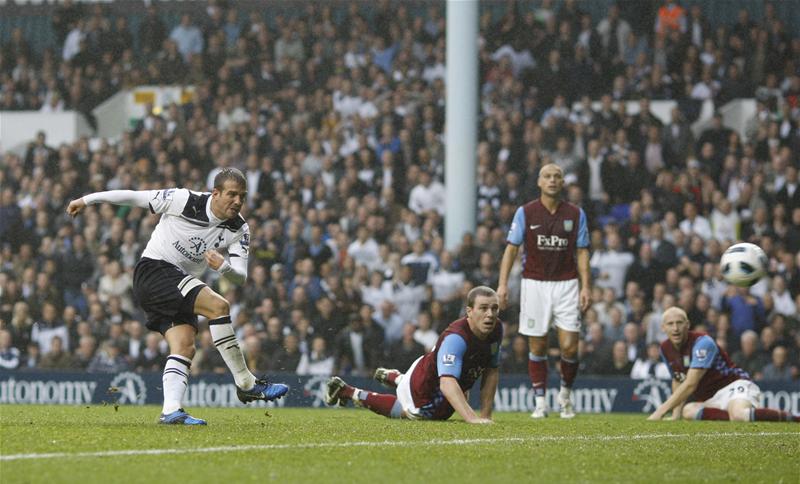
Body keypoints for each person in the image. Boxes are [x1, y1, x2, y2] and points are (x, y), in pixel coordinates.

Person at [66, 167, 288, 425]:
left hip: (176, 284)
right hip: (154, 271)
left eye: (242, 196)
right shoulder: (184, 200)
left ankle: (171, 410)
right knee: (219, 306)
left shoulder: (239, 229)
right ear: (215, 193)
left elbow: (240, 276)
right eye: (232, 194)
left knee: (184, 345)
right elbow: (133, 197)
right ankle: (246, 382)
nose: (238, 201)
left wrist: (223, 267)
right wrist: (87, 200)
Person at [324, 286, 502, 424]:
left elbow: (491, 371)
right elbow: (447, 383)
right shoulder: (456, 338)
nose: (490, 315)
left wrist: (486, 416)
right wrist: (472, 418)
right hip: (424, 386)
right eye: (484, 308)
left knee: (456, 400)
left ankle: (397, 378)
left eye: (494, 309)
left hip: (434, 371)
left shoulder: (496, 329)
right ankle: (349, 391)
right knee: (416, 415)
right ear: (469, 311)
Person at [497, 163, 591, 419]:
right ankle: (540, 402)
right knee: (537, 346)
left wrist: (586, 287)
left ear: (563, 183)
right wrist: (503, 284)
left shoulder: (575, 214)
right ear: (539, 182)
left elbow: (582, 251)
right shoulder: (525, 212)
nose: (552, 180)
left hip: (567, 284)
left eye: (557, 176)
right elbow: (511, 249)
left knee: (570, 347)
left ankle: (565, 397)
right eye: (547, 176)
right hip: (534, 284)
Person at [647, 307, 798, 422]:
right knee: (688, 410)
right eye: (670, 324)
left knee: (740, 415)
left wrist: (661, 410)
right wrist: (675, 414)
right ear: (663, 327)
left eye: (679, 323)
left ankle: (794, 418)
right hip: (712, 399)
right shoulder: (665, 348)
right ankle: (731, 415)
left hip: (734, 386)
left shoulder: (702, 343)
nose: (675, 328)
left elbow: (690, 384)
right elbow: (678, 379)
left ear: (687, 324)